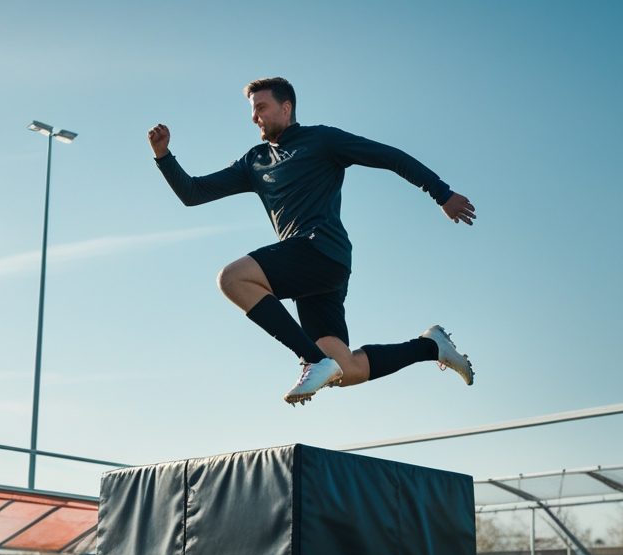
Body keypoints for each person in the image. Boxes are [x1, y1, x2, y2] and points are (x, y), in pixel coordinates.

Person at [148, 76, 477, 406]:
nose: (254, 117)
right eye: (252, 110)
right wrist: (164, 157)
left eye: (261, 107)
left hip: (321, 250)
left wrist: (441, 193)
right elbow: (194, 193)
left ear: (286, 107)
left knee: (232, 278)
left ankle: (313, 360)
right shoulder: (254, 161)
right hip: (310, 273)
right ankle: (431, 346)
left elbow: (389, 156)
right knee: (345, 371)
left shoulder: (322, 140)